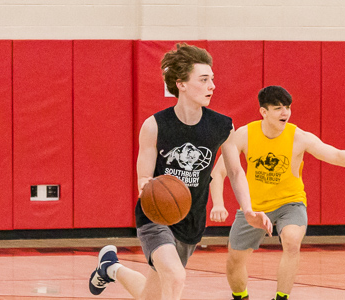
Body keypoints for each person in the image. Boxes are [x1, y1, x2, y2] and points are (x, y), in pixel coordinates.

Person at [87, 43, 272, 300]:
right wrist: (147, 187)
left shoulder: (222, 125)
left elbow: (236, 172)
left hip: (190, 221)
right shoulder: (154, 126)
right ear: (181, 84)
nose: (212, 86)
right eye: (204, 79)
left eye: (212, 79)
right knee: (175, 277)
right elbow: (144, 177)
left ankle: (110, 268)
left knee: (152, 295)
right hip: (157, 217)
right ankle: (112, 268)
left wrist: (249, 210)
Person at [209, 85, 345, 300]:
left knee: (292, 241)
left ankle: (281, 297)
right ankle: (240, 296)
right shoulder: (245, 134)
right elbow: (218, 172)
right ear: (263, 112)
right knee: (234, 260)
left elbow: (333, 154)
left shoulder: (299, 137)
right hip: (253, 207)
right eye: (278, 108)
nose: (285, 113)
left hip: (290, 203)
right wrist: (218, 203)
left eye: (287, 108)